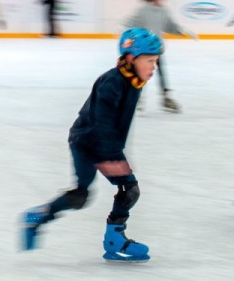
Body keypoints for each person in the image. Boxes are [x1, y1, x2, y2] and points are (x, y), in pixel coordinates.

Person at [21, 28, 162, 262]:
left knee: (129, 191)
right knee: (81, 196)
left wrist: (114, 153)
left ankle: (114, 240)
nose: (154, 67)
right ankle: (37, 216)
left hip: (104, 144)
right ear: (130, 58)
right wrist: (111, 157)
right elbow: (102, 123)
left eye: (155, 61)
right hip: (85, 142)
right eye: (149, 60)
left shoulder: (133, 82)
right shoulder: (111, 82)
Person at [122, 0, 198, 113]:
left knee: (161, 73)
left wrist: (182, 30)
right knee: (141, 72)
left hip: (156, 48)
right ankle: (137, 97)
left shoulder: (163, 11)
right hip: (142, 49)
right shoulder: (143, 10)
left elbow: (170, 26)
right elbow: (131, 23)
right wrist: (124, 31)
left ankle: (165, 98)